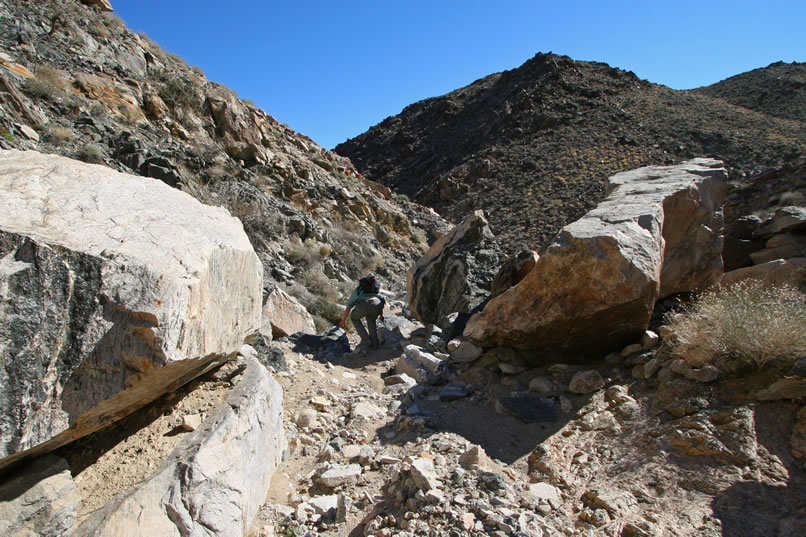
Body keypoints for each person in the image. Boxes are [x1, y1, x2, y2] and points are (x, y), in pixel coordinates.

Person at [339, 273, 386, 349]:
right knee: (371, 320)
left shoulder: (359, 289)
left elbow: (349, 306)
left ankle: (367, 340)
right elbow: (382, 300)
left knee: (354, 318)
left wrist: (344, 319)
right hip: (377, 304)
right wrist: (381, 315)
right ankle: (375, 344)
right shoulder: (375, 289)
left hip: (363, 304)